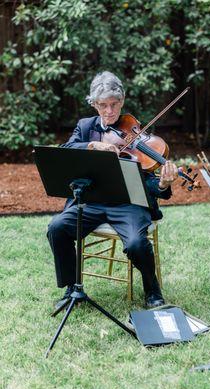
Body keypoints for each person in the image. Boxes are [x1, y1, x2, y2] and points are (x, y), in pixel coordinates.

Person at [47, 71, 178, 308]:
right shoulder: (85, 127)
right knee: (57, 228)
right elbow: (65, 148)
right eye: (103, 105)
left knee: (137, 244)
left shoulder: (137, 134)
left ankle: (152, 290)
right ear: (94, 104)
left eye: (114, 104)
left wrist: (162, 183)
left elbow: (149, 182)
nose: (109, 111)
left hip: (128, 204)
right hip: (92, 202)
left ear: (122, 101)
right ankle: (71, 289)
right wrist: (92, 145)